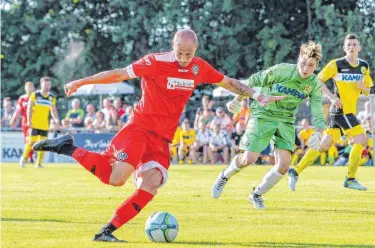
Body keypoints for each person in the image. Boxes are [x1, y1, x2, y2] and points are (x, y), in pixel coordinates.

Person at [33, 29, 283, 242]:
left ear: (195, 49)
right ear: (173, 46)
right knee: (116, 178)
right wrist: (81, 82)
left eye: (189, 53)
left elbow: (229, 82)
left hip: (162, 139)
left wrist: (258, 96)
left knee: (151, 184)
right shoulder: (155, 61)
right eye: (180, 53)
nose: (185, 59)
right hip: (140, 128)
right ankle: (65, 147)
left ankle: (106, 232)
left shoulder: (199, 67)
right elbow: (119, 73)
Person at [211, 40, 325, 209]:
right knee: (249, 158)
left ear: (316, 66)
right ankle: (225, 175)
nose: (306, 69)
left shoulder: (314, 84)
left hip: (286, 120)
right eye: (303, 63)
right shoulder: (282, 70)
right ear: (299, 57)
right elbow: (254, 80)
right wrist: (237, 99)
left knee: (284, 165)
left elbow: (317, 108)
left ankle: (256, 195)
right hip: (262, 113)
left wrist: (319, 131)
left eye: (311, 65)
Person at [288, 33, 374, 191]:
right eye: (348, 45)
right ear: (344, 48)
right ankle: (350, 178)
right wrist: (332, 97)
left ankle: (295, 170)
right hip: (341, 111)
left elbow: (368, 91)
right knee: (362, 139)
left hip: (347, 112)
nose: (351, 47)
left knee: (323, 146)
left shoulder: (364, 66)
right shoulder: (336, 64)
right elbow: (318, 80)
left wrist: (363, 88)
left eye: (354, 45)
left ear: (359, 48)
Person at [21, 77, 59, 168]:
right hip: (34, 124)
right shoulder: (35, 94)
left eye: (49, 84)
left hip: (44, 125)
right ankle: (24, 158)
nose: (47, 86)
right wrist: (29, 121)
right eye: (45, 84)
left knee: (43, 144)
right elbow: (29, 108)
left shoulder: (51, 97)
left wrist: (56, 119)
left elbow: (53, 110)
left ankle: (38, 163)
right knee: (31, 142)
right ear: (41, 84)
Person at [10, 81, 36, 162]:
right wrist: (13, 119)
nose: (29, 89)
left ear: (33, 88)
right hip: (25, 123)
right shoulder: (22, 98)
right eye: (28, 87)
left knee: (31, 140)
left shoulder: (36, 98)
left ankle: (30, 157)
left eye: (31, 87)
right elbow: (18, 110)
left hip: (34, 122)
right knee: (27, 140)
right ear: (25, 88)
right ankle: (30, 157)